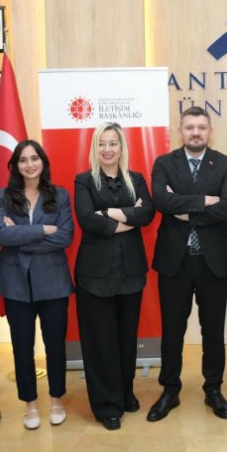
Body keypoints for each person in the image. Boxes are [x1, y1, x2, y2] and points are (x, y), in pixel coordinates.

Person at [149, 107, 227, 421]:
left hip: (213, 262)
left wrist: (184, 208)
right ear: (181, 131)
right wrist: (205, 201)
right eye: (190, 127)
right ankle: (169, 389)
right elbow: (161, 200)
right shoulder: (164, 163)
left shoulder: (225, 164)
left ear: (210, 131)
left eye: (201, 127)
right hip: (175, 261)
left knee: (213, 330)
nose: (196, 132)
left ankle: (213, 388)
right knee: (172, 331)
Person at [73, 122, 155, 430]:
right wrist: (129, 216)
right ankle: (106, 405)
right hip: (95, 277)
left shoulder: (137, 179)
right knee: (101, 342)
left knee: (126, 339)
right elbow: (86, 219)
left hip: (130, 273)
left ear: (122, 148)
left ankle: (124, 393)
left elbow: (147, 214)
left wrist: (107, 213)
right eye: (102, 143)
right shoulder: (84, 181)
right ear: (95, 148)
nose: (107, 149)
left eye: (113, 143)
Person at [0, 140, 74, 430]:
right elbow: (0, 235)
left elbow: (64, 237)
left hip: (53, 282)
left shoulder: (60, 195)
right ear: (16, 165)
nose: (29, 164)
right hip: (15, 282)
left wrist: (21, 235)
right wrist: (42, 230)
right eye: (23, 160)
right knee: (22, 347)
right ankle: (30, 404)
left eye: (34, 158)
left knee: (55, 345)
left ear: (43, 162)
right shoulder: (4, 196)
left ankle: (56, 400)